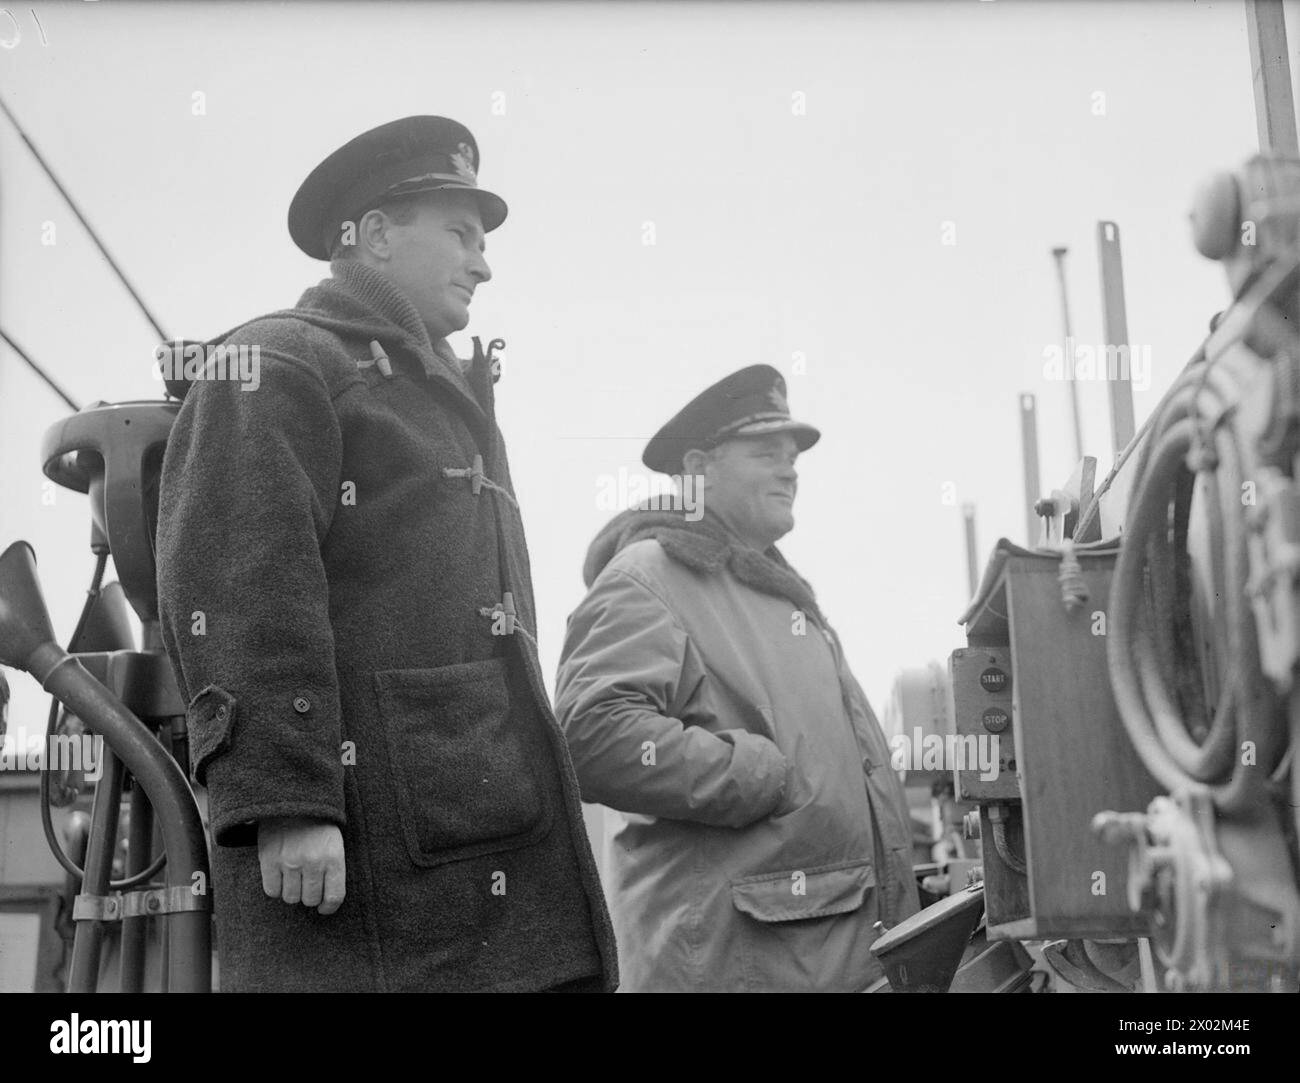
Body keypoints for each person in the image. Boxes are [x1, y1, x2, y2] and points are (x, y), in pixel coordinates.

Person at [156, 115, 616, 992]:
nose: (483, 261)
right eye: (460, 233)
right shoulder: (279, 361)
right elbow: (244, 579)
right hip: (368, 885)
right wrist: (285, 801)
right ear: (370, 235)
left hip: (470, 857)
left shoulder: (436, 384)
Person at [554, 364, 918, 991]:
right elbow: (592, 734)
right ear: (698, 468)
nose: (790, 469)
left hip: (811, 952)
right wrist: (752, 775)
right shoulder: (649, 575)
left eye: (793, 457)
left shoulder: (768, 591)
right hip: (740, 962)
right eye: (765, 452)